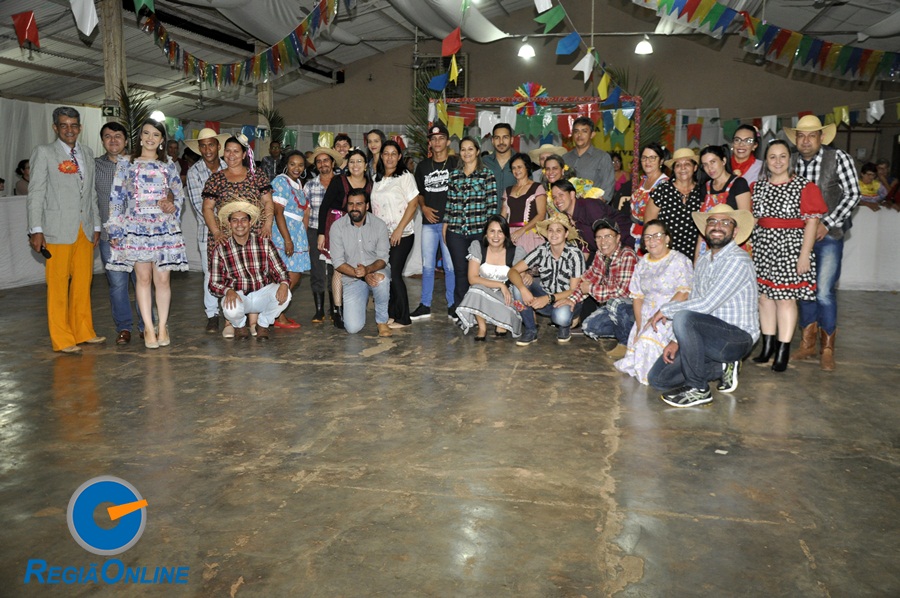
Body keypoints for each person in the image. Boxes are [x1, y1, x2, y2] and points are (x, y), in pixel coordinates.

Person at [647, 204, 759, 407]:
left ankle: (698, 389)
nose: (717, 226)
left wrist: (665, 309)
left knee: (683, 317)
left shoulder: (739, 260)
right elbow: (693, 300)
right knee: (659, 379)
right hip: (706, 336)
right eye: (712, 221)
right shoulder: (704, 260)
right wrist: (676, 339)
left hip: (735, 338)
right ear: (705, 229)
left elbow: (707, 304)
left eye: (725, 222)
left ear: (735, 231)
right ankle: (721, 367)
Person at [105, 119, 189, 349]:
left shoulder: (168, 165)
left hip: (163, 229)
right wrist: (115, 228)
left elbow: (178, 194)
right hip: (136, 228)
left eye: (156, 135)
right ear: (140, 137)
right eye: (147, 133)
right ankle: (149, 328)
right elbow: (116, 198)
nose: (151, 138)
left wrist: (172, 206)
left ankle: (162, 326)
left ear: (162, 140)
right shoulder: (126, 163)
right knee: (142, 279)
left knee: (162, 280)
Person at [26, 106, 105, 353]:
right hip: (56, 229)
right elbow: (36, 193)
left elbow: (91, 193)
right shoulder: (44, 152)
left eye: (73, 125)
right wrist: (36, 229)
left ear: (80, 128)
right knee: (58, 285)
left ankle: (84, 331)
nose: (69, 130)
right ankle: (62, 339)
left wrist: (96, 225)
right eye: (64, 125)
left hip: (85, 228)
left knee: (83, 283)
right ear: (55, 128)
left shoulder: (87, 153)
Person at [785, 115, 860, 371]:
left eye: (811, 135)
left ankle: (827, 349)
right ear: (796, 139)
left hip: (829, 236)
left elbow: (853, 194)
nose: (805, 141)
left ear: (822, 137)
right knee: (804, 291)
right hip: (797, 237)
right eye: (801, 136)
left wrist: (826, 223)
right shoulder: (790, 161)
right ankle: (807, 344)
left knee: (824, 292)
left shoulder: (838, 158)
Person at [750, 140, 827, 372]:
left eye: (782, 156)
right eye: (772, 157)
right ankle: (768, 347)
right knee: (764, 298)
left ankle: (783, 351)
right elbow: (753, 220)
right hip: (763, 247)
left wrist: (804, 254)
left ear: (790, 159)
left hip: (791, 248)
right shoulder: (758, 187)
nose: (777, 161)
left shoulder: (805, 187)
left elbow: (812, 223)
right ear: (766, 160)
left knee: (785, 299)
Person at [201, 135, 276, 338]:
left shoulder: (256, 175)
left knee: (255, 273)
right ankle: (230, 320)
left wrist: (267, 225)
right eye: (228, 151)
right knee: (229, 275)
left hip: (254, 233)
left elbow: (268, 202)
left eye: (236, 151)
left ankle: (253, 321)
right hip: (224, 236)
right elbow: (207, 208)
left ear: (244, 154)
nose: (231, 155)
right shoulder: (216, 178)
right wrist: (216, 232)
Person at [614, 220, 693, 384]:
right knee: (640, 336)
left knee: (648, 339)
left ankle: (660, 374)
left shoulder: (679, 260)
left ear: (667, 238)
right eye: (647, 237)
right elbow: (637, 296)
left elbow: (684, 293)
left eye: (657, 236)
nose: (652, 241)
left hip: (671, 313)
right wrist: (639, 325)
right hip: (646, 313)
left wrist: (662, 312)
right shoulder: (642, 263)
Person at [208, 202, 291, 341]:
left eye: (243, 220)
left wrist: (284, 284)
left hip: (262, 292)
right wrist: (228, 291)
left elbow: (281, 269)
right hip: (239, 295)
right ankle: (239, 326)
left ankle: (262, 324)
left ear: (250, 223)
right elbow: (214, 283)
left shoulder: (264, 243)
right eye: (235, 220)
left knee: (286, 295)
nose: (239, 224)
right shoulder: (221, 248)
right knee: (230, 308)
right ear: (229, 224)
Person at [95, 121, 142, 344]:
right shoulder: (95, 166)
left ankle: (146, 326)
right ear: (102, 141)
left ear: (126, 140)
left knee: (143, 281)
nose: (113, 140)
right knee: (117, 285)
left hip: (139, 236)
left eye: (117, 136)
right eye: (108, 136)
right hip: (110, 239)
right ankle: (124, 327)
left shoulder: (139, 164)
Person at [317, 147, 373, 328]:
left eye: (359, 161)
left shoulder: (369, 184)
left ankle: (353, 306)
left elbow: (370, 210)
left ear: (365, 165)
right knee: (339, 268)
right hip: (337, 226)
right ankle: (337, 311)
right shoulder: (338, 181)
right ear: (347, 165)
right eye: (352, 161)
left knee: (358, 265)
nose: (355, 165)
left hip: (359, 229)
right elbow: (324, 206)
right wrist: (321, 233)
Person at [511, 212, 586, 345]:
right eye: (550, 230)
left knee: (561, 318)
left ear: (566, 234)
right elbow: (512, 271)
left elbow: (574, 290)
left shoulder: (575, 254)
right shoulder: (542, 250)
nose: (553, 234)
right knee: (517, 287)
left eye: (558, 230)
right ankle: (530, 330)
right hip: (545, 295)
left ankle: (566, 323)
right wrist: (523, 289)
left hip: (567, 299)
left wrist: (548, 298)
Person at [444, 136, 498, 317]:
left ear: (477, 151)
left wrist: (490, 233)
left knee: (478, 273)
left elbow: (492, 206)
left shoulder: (487, 174)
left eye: (470, 149)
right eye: (463, 149)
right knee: (460, 272)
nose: (466, 153)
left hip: (479, 232)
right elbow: (449, 204)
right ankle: (461, 310)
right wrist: (445, 227)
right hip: (456, 231)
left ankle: (479, 310)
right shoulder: (454, 175)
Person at [411, 123, 459, 321]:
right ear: (429, 143)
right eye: (434, 139)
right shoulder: (423, 166)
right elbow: (419, 193)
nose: (437, 142)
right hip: (429, 223)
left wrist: (451, 214)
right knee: (428, 266)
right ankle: (425, 305)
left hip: (450, 223)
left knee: (450, 266)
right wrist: (423, 207)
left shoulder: (456, 163)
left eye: (441, 138)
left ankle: (453, 305)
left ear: (448, 142)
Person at [330, 188, 392, 337]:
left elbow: (383, 259)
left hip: (375, 270)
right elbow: (338, 262)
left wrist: (367, 270)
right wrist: (362, 275)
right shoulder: (337, 227)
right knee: (352, 328)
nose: (354, 208)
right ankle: (361, 299)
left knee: (381, 279)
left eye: (359, 204)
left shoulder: (379, 225)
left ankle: (382, 321)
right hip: (352, 277)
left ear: (367, 206)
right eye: (350, 204)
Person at [371, 140, 420, 328]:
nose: (389, 157)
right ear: (381, 156)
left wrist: (399, 229)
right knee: (387, 274)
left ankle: (404, 318)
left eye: (394, 153)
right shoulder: (377, 178)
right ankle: (391, 313)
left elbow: (413, 204)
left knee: (395, 274)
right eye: (386, 153)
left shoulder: (405, 176)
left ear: (399, 157)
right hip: (382, 236)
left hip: (402, 234)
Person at [185, 127, 230, 333]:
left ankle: (232, 314)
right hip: (208, 233)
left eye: (211, 144)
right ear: (199, 149)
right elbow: (199, 207)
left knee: (234, 272)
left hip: (234, 231)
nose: (207, 149)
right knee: (211, 274)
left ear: (218, 146)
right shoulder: (194, 173)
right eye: (203, 146)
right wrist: (223, 225)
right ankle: (212, 315)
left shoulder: (229, 166)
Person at [572, 218, 638, 358]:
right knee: (589, 327)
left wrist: (591, 288)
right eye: (599, 237)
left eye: (608, 236)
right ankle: (631, 330)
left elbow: (622, 291)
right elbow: (588, 278)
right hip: (615, 308)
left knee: (615, 302)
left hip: (634, 306)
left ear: (618, 238)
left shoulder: (627, 255)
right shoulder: (600, 255)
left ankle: (626, 343)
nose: (603, 241)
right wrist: (571, 301)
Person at [456, 215, 528, 340]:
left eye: (500, 232)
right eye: (492, 231)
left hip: (506, 295)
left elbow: (520, 278)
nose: (496, 236)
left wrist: (526, 275)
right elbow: (472, 278)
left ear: (506, 234)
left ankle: (502, 322)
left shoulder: (516, 251)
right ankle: (482, 327)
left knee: (510, 296)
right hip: (483, 291)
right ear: (486, 233)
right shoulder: (477, 247)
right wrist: (500, 285)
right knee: (475, 289)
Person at [271, 150, 312, 329]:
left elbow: (303, 213)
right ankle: (276, 314)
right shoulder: (281, 181)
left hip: (297, 234)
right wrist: (287, 240)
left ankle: (276, 312)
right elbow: (278, 212)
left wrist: (303, 239)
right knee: (286, 276)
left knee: (292, 276)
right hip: (284, 232)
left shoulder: (298, 183)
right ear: (286, 165)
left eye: (301, 165)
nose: (297, 168)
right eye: (292, 164)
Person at [550, 179, 631, 263]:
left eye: (561, 195)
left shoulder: (589, 205)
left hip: (625, 248)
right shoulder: (567, 219)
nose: (557, 200)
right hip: (602, 255)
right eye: (554, 197)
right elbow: (585, 249)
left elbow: (607, 235)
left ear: (572, 194)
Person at [304, 147, 342, 323]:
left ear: (333, 163)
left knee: (336, 269)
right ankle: (319, 311)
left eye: (326, 160)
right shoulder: (310, 185)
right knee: (317, 270)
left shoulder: (341, 182)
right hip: (314, 231)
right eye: (318, 162)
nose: (322, 164)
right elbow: (306, 212)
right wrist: (305, 236)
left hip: (337, 232)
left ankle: (335, 308)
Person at [643, 148, 703, 258]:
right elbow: (649, 224)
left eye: (687, 164)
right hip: (665, 255)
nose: (682, 168)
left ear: (695, 167)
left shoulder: (702, 192)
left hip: (694, 254)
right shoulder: (662, 190)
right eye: (678, 165)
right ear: (674, 169)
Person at [501, 152, 547, 253]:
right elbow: (503, 217)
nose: (516, 170)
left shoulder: (537, 187)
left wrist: (522, 230)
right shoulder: (508, 190)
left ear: (527, 168)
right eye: (513, 168)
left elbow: (541, 215)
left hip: (529, 233)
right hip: (510, 236)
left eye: (519, 167)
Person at [563, 116, 615, 200]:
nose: (579, 135)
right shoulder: (565, 158)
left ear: (592, 134)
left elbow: (607, 188)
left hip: (592, 206)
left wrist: (597, 204)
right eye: (576, 131)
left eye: (584, 131)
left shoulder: (602, 157)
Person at [630, 143, 669, 250]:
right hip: (637, 230)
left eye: (652, 158)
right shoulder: (643, 180)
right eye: (644, 158)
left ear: (661, 161)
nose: (647, 161)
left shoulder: (664, 184)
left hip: (654, 235)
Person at [482, 123, 516, 211]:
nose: (501, 142)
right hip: (488, 215)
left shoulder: (521, 162)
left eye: (505, 137)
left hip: (514, 215)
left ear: (512, 140)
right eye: (497, 138)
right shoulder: (483, 162)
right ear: (492, 141)